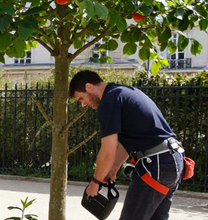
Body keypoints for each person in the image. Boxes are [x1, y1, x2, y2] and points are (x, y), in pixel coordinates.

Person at [69, 70, 185, 220]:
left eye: (81, 98)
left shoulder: (109, 102)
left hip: (156, 163)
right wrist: (113, 168)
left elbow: (108, 151)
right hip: (172, 160)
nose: (84, 104)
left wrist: (95, 182)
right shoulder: (123, 92)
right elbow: (129, 142)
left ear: (89, 87)